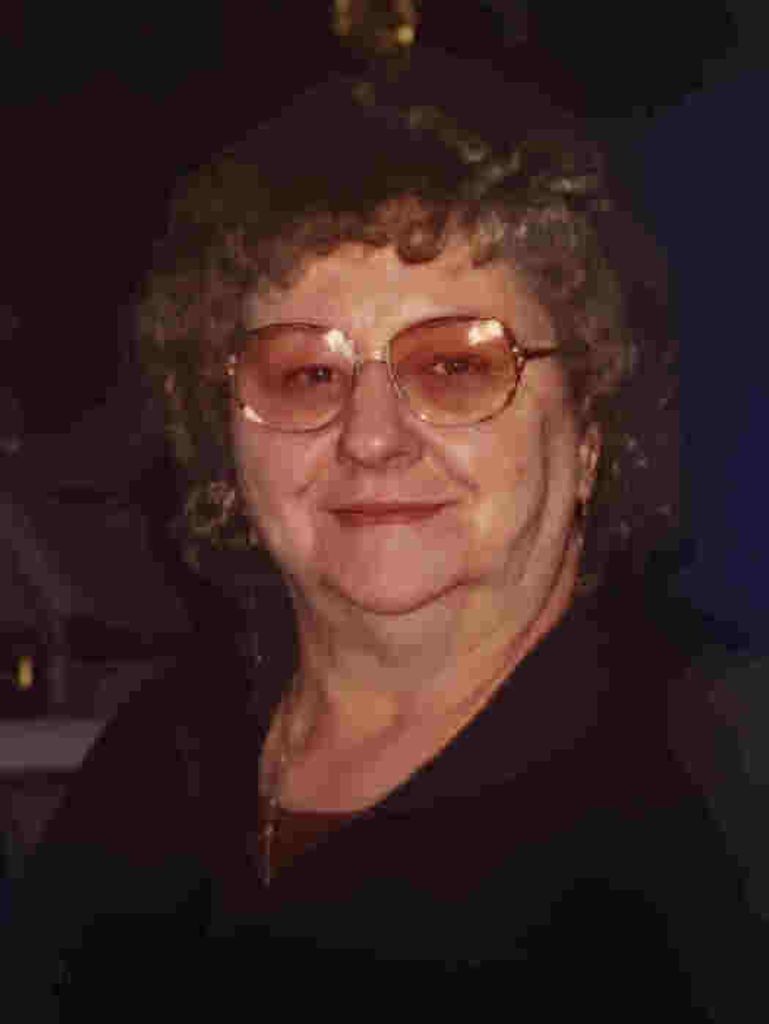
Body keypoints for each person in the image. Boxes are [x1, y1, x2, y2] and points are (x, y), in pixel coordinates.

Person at [4, 59, 766, 1019]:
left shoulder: (720, 786)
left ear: (588, 432)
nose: (369, 438)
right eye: (306, 376)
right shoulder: (160, 759)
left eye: (453, 367)